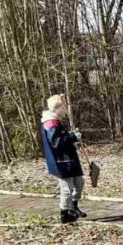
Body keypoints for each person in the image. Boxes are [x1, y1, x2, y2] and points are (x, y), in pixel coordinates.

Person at [41, 94, 86, 225]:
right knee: (67, 189)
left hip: (68, 159)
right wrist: (72, 136)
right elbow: (56, 142)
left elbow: (62, 140)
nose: (65, 110)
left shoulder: (56, 121)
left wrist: (73, 141)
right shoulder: (51, 123)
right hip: (61, 162)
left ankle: (73, 207)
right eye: (63, 107)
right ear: (57, 108)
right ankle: (64, 214)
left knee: (79, 182)